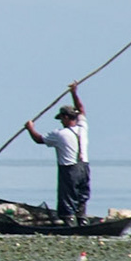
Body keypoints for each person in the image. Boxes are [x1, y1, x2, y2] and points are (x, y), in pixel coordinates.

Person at [26, 83, 88, 224]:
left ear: (66, 117)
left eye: (61, 118)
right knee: (81, 195)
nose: (60, 121)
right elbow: (81, 109)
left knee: (67, 196)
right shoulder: (82, 127)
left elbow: (39, 139)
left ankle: (68, 221)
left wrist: (30, 128)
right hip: (84, 167)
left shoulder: (59, 134)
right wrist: (74, 93)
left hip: (69, 169)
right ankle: (82, 219)